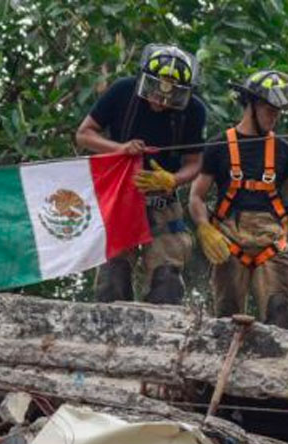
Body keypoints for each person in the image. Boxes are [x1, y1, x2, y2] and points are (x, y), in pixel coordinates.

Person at [187, 71, 288, 329]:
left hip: (271, 241)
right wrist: (204, 228)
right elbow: (196, 197)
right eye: (269, 109)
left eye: (278, 111)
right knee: (226, 320)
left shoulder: (284, 150)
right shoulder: (219, 145)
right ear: (252, 105)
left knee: (280, 314)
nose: (275, 117)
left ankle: (277, 366)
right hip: (229, 240)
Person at [75, 44, 207, 304]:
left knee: (168, 277)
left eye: (170, 97)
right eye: (154, 92)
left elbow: (195, 162)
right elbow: (84, 134)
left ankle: (160, 336)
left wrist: (174, 180)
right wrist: (120, 149)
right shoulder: (123, 91)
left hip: (162, 200)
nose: (160, 100)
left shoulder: (194, 111)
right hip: (120, 195)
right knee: (113, 274)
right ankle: (109, 336)